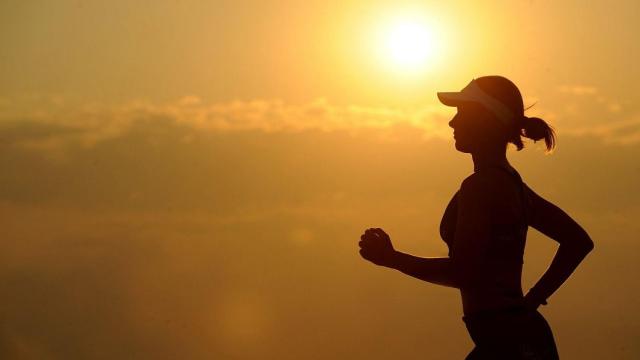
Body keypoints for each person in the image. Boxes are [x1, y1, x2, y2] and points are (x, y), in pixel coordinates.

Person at [358, 76, 594, 359]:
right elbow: (578, 241)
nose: (452, 123)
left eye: (462, 113)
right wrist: (530, 302)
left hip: (509, 343)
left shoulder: (481, 186)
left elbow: (462, 272)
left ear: (487, 120)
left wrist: (392, 259)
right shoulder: (512, 183)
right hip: (517, 338)